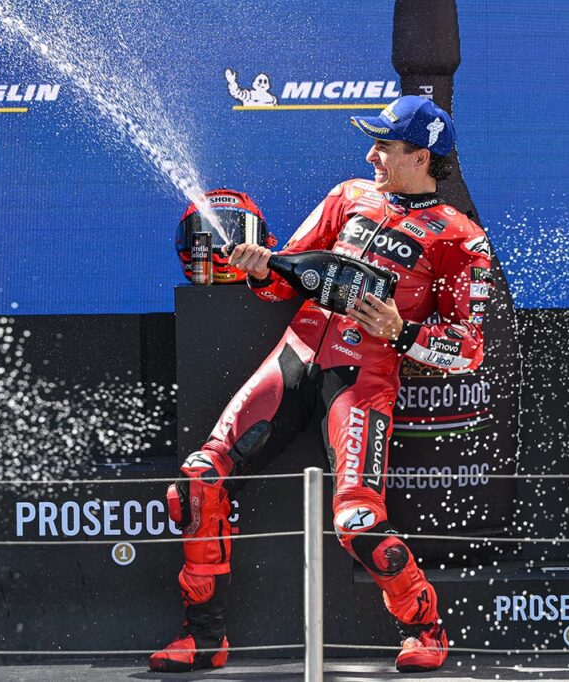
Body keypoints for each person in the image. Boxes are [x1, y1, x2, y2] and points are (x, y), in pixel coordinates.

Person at [150, 95, 494, 673]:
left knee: (358, 520)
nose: (371, 155)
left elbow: (468, 350)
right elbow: (289, 274)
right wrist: (262, 269)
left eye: (384, 145)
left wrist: (402, 332)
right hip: (295, 355)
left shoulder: (461, 238)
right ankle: (204, 637)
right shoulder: (347, 196)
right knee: (197, 482)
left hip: (363, 379)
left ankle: (425, 629)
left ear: (420, 155)